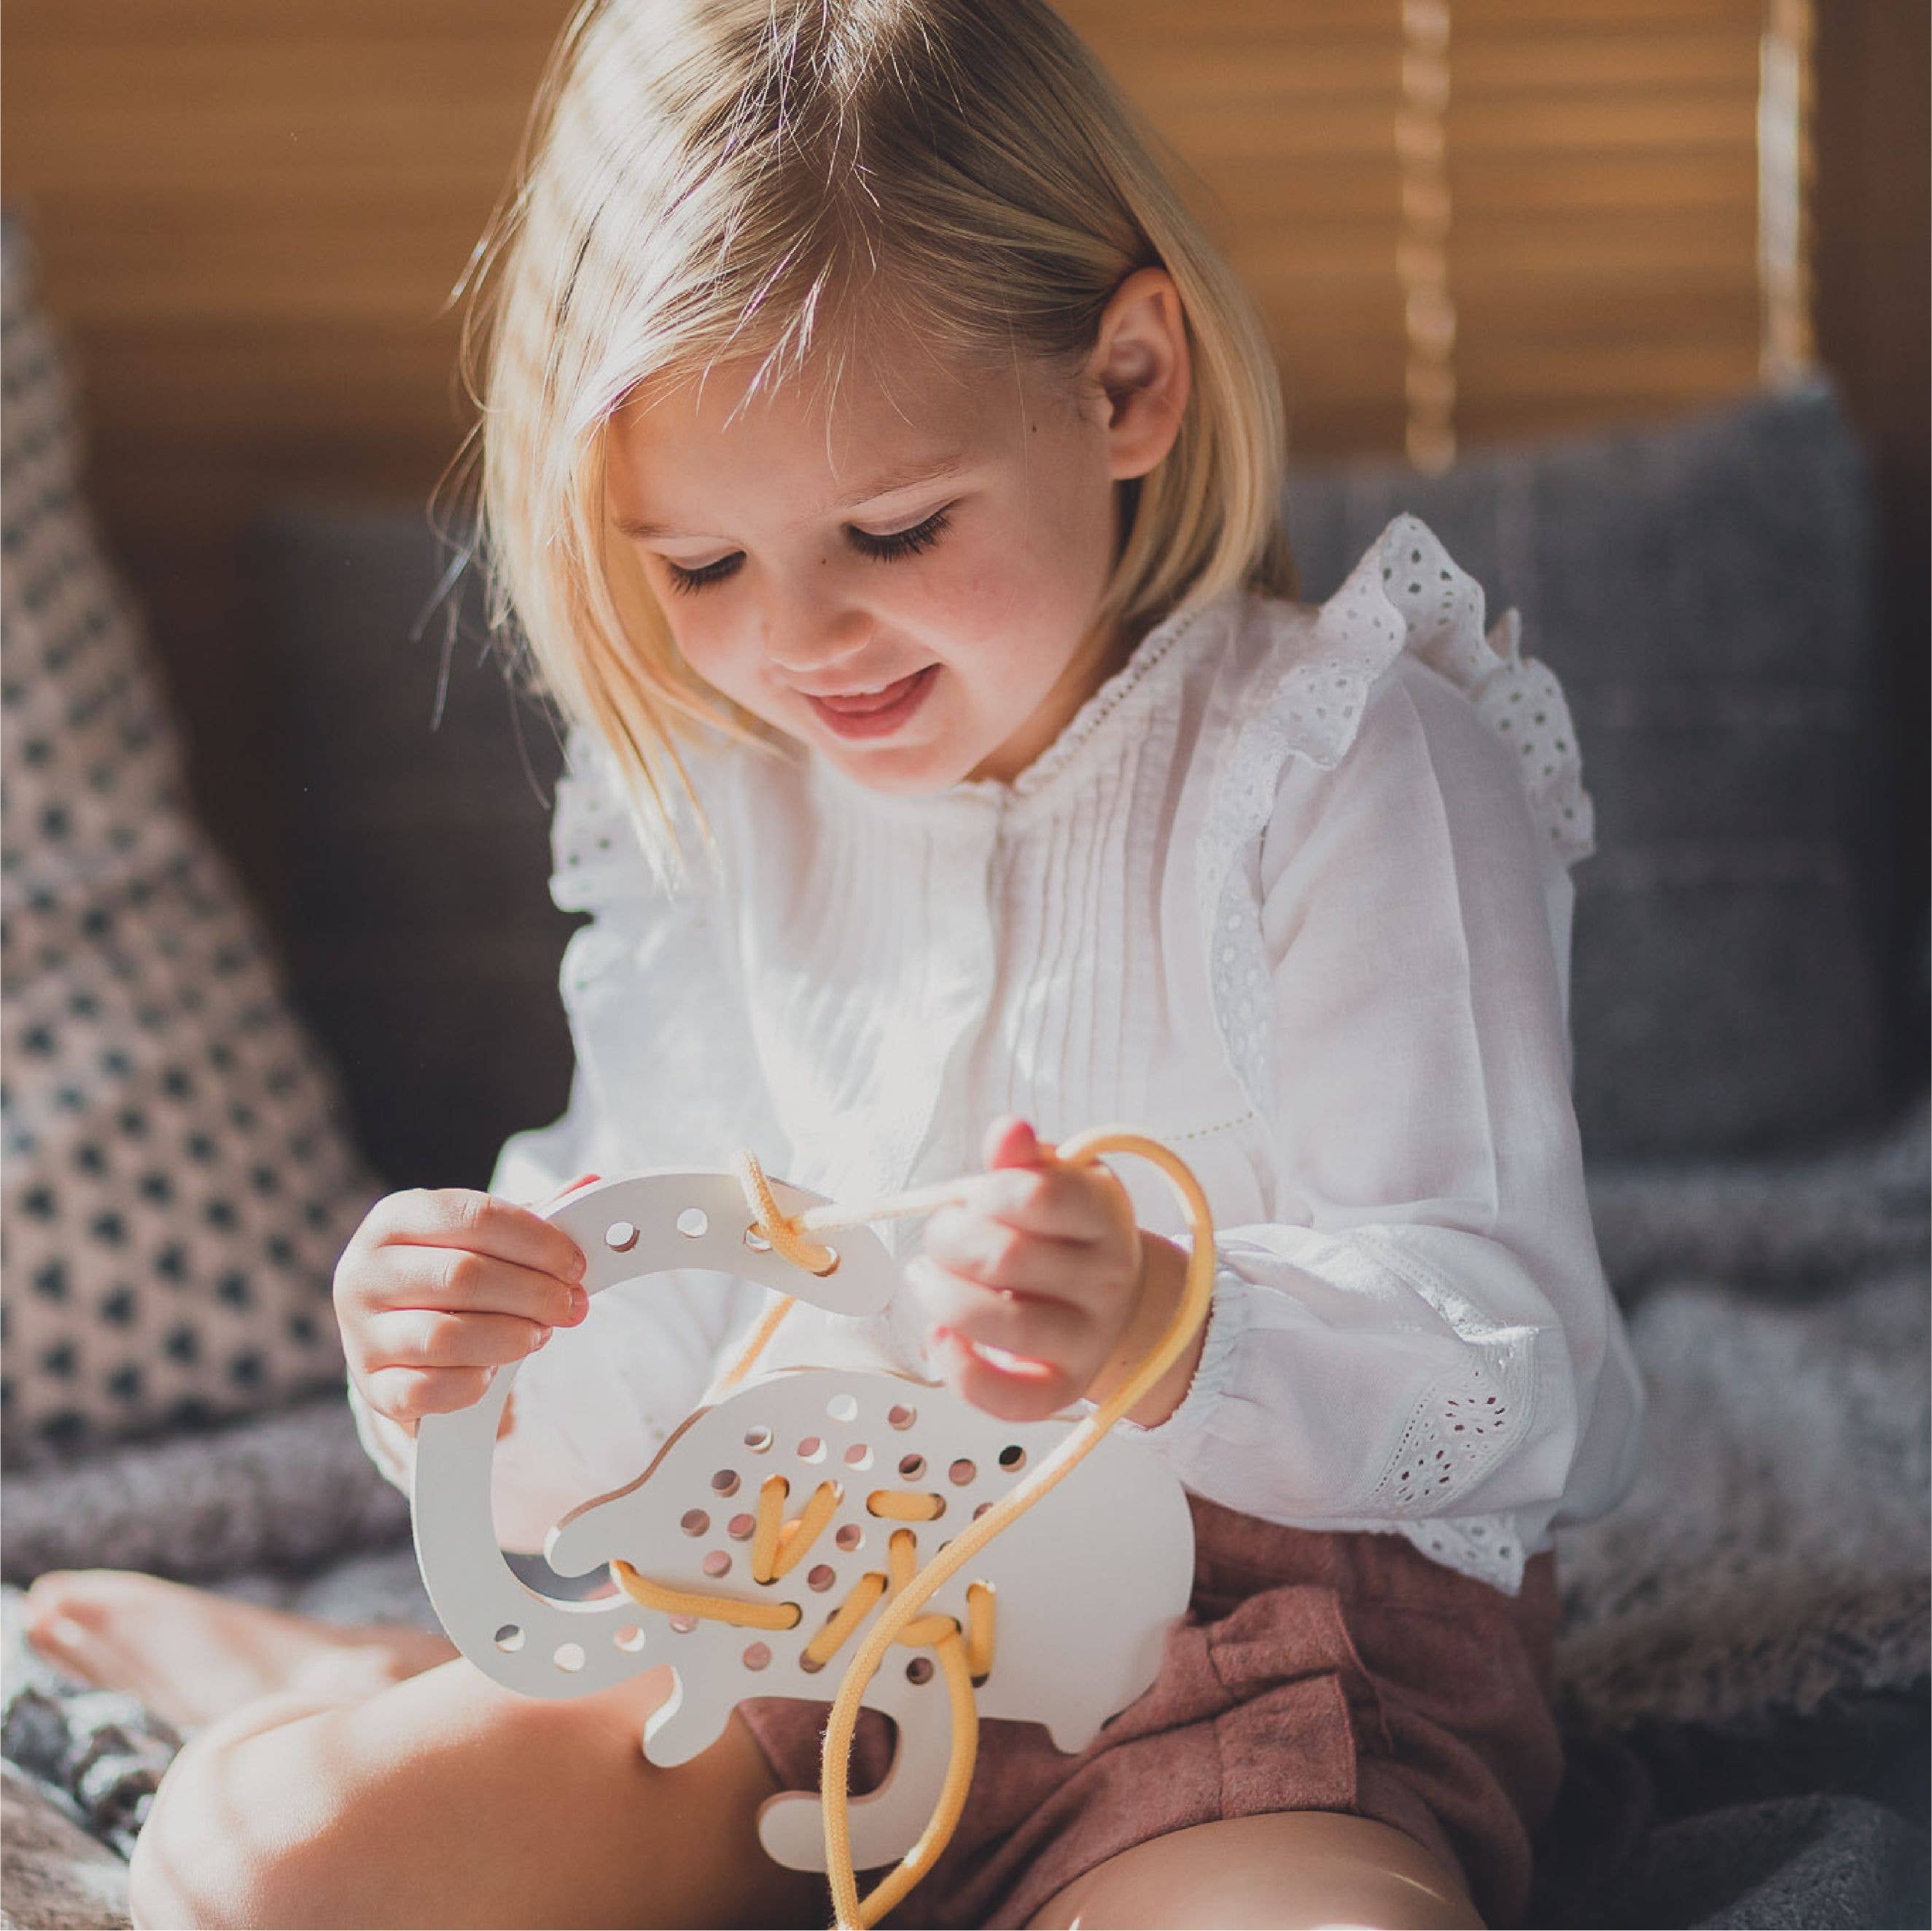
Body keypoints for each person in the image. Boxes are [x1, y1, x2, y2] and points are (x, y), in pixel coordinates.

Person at [24, 0, 1643, 1924]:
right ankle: (395, 1690)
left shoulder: (1340, 759)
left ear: (1125, 380)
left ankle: (380, 1690)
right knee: (248, 1869)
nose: (800, 639)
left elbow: (1531, 1382)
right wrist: (474, 1357)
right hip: (794, 1626)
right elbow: (642, 1344)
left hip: (1242, 1674)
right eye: (697, 565)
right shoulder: (720, 814)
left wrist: (1167, 1323)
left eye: (890, 524)